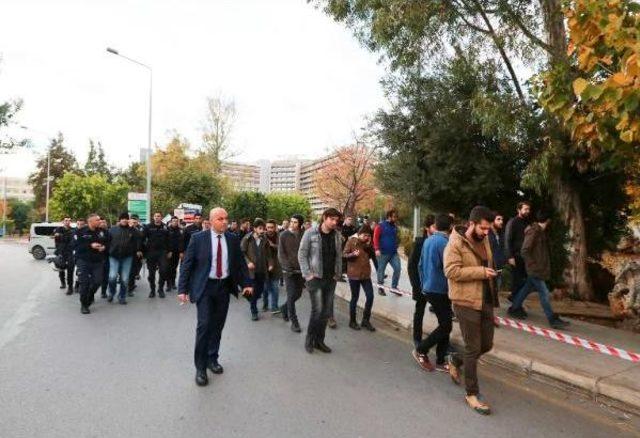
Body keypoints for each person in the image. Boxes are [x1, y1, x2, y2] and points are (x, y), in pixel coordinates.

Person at [178, 207, 253, 387]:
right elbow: (187, 265)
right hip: (204, 287)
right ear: (211, 221)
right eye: (220, 219)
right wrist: (182, 289)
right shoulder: (198, 239)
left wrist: (247, 284)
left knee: (217, 326)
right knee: (204, 326)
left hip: (223, 287)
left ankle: (212, 358)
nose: (225, 222)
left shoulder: (233, 239)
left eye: (226, 218)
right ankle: (201, 368)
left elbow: (240, 264)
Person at [444, 206, 499, 415]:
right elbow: (450, 271)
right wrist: (481, 272)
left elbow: (487, 261)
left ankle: (456, 360)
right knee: (473, 346)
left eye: (489, 229)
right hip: (464, 300)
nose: (486, 233)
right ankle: (472, 393)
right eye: (483, 228)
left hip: (485, 299)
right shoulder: (455, 242)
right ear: (471, 224)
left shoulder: (484, 239)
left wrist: (492, 272)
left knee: (486, 344)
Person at [508, 211, 571, 329]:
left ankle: (514, 308)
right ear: (548, 221)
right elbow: (525, 250)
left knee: (526, 288)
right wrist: (533, 265)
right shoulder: (534, 231)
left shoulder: (540, 232)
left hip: (537, 269)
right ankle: (552, 319)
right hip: (535, 269)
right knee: (544, 293)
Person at [412, 214, 454, 372]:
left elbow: (420, 265)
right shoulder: (445, 243)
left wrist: (423, 284)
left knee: (446, 323)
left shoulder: (428, 240)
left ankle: (441, 358)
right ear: (450, 227)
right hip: (440, 289)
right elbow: (448, 268)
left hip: (430, 288)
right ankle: (421, 350)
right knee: (446, 325)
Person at [298, 208, 343, 354]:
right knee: (317, 311)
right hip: (315, 278)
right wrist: (307, 274)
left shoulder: (337, 235)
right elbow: (302, 254)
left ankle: (319, 341)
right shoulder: (311, 233)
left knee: (325, 312)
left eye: (337, 220)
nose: (335, 222)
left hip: (331, 279)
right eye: (332, 219)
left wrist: (338, 273)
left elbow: (339, 256)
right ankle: (309, 340)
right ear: (324, 218)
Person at [343, 224, 378, 331]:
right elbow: (344, 254)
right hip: (354, 275)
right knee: (355, 297)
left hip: (365, 275)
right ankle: (352, 321)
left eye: (368, 235)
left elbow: (373, 256)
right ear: (359, 234)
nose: (366, 237)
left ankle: (365, 320)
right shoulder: (351, 241)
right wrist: (352, 254)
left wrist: (369, 245)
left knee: (370, 296)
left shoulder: (367, 244)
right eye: (364, 235)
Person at [408, 215, 436, 347]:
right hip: (421, 285)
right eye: (434, 227)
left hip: (436, 286)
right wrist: (416, 285)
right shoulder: (419, 243)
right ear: (427, 228)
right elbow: (411, 266)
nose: (437, 230)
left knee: (443, 316)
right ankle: (417, 338)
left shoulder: (440, 242)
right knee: (419, 311)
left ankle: (443, 341)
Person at [74, 213, 108, 314]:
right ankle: (84, 305)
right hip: (83, 261)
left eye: (100, 220)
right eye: (97, 220)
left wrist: (104, 247)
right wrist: (90, 245)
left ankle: (89, 297)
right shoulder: (80, 232)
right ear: (90, 222)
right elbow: (76, 246)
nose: (100, 221)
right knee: (84, 283)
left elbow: (108, 242)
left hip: (97, 261)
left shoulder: (102, 232)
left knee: (97, 281)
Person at [278, 214, 305, 332]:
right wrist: (287, 267)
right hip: (288, 271)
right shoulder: (283, 235)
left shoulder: (304, 235)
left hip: (301, 270)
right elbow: (281, 253)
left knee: (298, 294)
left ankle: (284, 308)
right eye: (291, 221)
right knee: (290, 294)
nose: (292, 224)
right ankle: (294, 322)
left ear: (300, 224)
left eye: (295, 222)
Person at [107, 212, 141, 305]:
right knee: (112, 277)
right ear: (119, 220)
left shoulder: (132, 230)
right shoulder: (112, 230)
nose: (124, 220)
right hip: (114, 257)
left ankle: (122, 296)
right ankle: (111, 292)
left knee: (125, 278)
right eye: (123, 218)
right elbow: (107, 241)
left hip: (127, 257)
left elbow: (139, 237)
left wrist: (132, 227)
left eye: (126, 218)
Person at [241, 218, 269, 321]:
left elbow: (268, 253)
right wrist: (248, 262)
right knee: (254, 291)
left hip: (262, 269)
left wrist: (270, 264)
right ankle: (254, 311)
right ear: (255, 229)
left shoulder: (264, 239)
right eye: (260, 228)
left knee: (260, 290)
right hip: (251, 271)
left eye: (263, 228)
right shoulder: (247, 239)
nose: (262, 230)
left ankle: (250, 298)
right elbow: (241, 253)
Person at [505, 202, 532, 301]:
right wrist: (510, 256)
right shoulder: (513, 222)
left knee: (524, 281)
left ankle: (516, 301)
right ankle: (515, 302)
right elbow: (508, 239)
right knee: (517, 281)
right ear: (519, 210)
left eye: (528, 209)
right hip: (516, 256)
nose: (527, 211)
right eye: (525, 209)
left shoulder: (527, 223)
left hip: (526, 257)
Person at [373, 209, 401, 296]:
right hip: (382, 253)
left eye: (396, 217)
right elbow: (375, 238)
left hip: (393, 253)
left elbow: (396, 237)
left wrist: (396, 244)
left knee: (398, 269)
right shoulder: (380, 226)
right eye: (394, 217)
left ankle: (394, 287)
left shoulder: (395, 227)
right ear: (389, 217)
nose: (395, 218)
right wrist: (377, 249)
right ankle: (381, 288)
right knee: (381, 270)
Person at [144, 212, 170, 298]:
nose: (157, 217)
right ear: (153, 217)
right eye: (155, 216)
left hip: (162, 252)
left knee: (163, 271)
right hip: (151, 252)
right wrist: (142, 251)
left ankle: (160, 289)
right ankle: (152, 290)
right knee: (151, 273)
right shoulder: (148, 227)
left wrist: (170, 251)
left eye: (158, 216)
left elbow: (169, 240)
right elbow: (142, 239)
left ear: (161, 217)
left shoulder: (166, 227)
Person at [54, 216, 75, 295]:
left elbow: (74, 240)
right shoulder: (58, 229)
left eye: (69, 220)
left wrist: (61, 236)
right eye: (66, 220)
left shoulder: (73, 230)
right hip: (61, 252)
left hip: (70, 252)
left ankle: (70, 287)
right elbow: (56, 236)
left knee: (70, 270)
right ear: (63, 221)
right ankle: (63, 283)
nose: (67, 222)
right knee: (61, 268)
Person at [264, 219, 282, 313]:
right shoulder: (262, 236)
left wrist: (272, 245)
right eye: (268, 227)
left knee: (275, 287)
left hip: (276, 266)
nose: (270, 229)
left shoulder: (280, 236)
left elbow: (282, 249)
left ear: (275, 228)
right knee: (265, 288)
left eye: (272, 227)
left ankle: (274, 307)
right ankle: (265, 304)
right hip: (264, 266)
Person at [488, 212, 507, 293]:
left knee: (496, 293)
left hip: (499, 268)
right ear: (492, 221)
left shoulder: (501, 234)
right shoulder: (487, 234)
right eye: (498, 219)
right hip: (490, 268)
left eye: (502, 219)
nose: (501, 221)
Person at [127, 214, 144, 295]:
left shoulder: (138, 230)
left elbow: (140, 241)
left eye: (135, 222)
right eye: (132, 222)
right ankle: (127, 285)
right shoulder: (125, 229)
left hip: (134, 254)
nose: (133, 224)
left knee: (132, 272)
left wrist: (139, 250)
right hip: (124, 254)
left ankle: (130, 288)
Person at [166, 216, 184, 291]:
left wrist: (181, 252)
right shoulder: (167, 230)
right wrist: (168, 251)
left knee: (174, 268)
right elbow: (165, 241)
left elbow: (182, 242)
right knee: (168, 268)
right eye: (173, 221)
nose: (175, 222)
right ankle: (168, 284)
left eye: (176, 221)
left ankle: (173, 283)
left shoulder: (181, 230)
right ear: (171, 222)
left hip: (177, 252)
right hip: (169, 252)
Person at [72, 218, 87, 292]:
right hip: (78, 255)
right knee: (80, 271)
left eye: (81, 224)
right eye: (78, 224)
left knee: (84, 271)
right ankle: (79, 284)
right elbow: (74, 243)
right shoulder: (74, 232)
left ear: (84, 224)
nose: (80, 226)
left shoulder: (87, 231)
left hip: (87, 255)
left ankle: (79, 284)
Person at [99, 219, 110, 299]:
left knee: (105, 276)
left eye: (104, 222)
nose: (103, 224)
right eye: (101, 222)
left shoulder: (109, 232)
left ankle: (103, 291)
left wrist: (105, 247)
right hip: (96, 257)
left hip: (106, 257)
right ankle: (91, 295)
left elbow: (111, 243)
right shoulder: (95, 231)